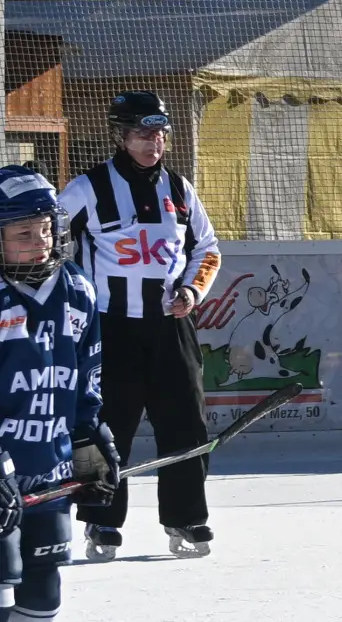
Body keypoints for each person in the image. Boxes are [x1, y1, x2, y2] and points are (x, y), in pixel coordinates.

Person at [57, 91, 222, 559]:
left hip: (170, 327)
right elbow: (50, 241)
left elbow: (206, 249)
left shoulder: (181, 189)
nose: (154, 143)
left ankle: (187, 517)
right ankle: (101, 523)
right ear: (120, 136)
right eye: (143, 134)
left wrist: (191, 292)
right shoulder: (88, 188)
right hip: (110, 328)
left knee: (186, 422)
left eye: (160, 133)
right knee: (107, 426)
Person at [0, 164, 112, 622]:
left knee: (41, 601)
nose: (38, 241)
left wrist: (91, 435)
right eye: (22, 233)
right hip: (0, 479)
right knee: (0, 586)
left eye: (44, 230)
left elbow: (88, 375)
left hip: (47, 476)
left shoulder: (78, 291)